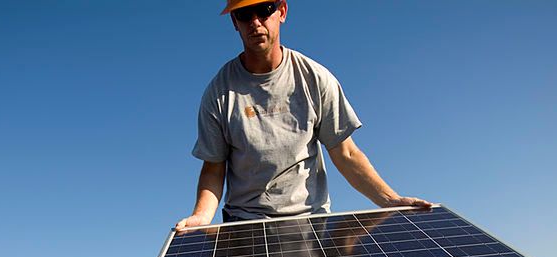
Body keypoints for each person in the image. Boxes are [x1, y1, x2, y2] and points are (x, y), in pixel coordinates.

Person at [175, 0, 432, 231]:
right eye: (243, 14)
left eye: (265, 10)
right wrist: (201, 216)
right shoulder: (219, 93)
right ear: (234, 22)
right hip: (246, 225)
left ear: (282, 11)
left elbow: (346, 154)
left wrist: (390, 200)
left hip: (310, 222)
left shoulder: (315, 78)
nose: (255, 21)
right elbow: (213, 168)